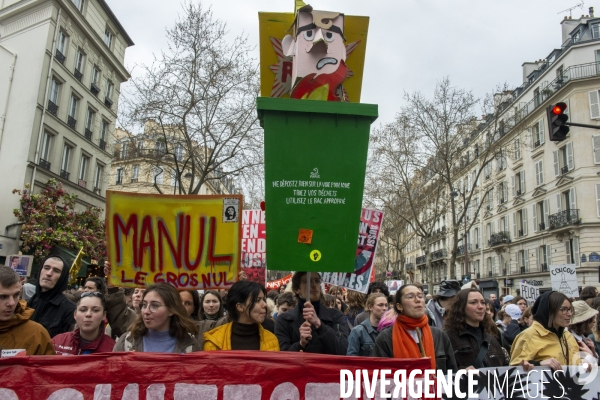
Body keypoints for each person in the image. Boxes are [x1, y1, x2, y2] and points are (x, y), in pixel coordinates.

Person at [372, 284, 456, 372]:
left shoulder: (439, 335)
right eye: (410, 296)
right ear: (399, 306)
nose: (418, 300)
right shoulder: (386, 338)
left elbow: (452, 374)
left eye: (420, 296)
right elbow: (378, 377)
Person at [114, 283, 201, 353]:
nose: (146, 311)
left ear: (171, 310)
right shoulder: (127, 342)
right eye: (144, 305)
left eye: (154, 305)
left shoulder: (190, 346)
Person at [275, 272, 348, 354]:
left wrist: (320, 325)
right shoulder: (284, 320)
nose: (314, 285)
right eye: (307, 281)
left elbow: (343, 350)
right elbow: (283, 358)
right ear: (297, 289)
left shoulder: (336, 316)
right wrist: (301, 344)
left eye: (317, 281)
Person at [510, 291, 583, 370]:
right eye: (564, 309)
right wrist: (538, 363)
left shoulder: (567, 335)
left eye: (570, 309)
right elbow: (513, 370)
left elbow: (575, 362)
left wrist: (584, 363)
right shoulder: (528, 336)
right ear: (549, 310)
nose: (569, 314)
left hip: (568, 382)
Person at [203, 281, 279, 351]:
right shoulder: (214, 342)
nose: (264, 304)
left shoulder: (272, 340)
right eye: (257, 300)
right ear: (240, 307)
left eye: (263, 299)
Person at [444, 289, 508, 369]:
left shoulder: (491, 339)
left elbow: (505, 369)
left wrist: (522, 367)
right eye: (473, 302)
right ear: (461, 307)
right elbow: (442, 371)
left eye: (483, 302)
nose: (480, 306)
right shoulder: (448, 338)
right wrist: (461, 372)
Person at [0, 266, 55, 356]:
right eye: (3, 297)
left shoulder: (36, 334)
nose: (11, 303)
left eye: (16, 295)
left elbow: (49, 369)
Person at [28, 254, 76, 337]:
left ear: (62, 277)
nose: (49, 273)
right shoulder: (27, 304)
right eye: (46, 268)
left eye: (56, 271)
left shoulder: (70, 310)